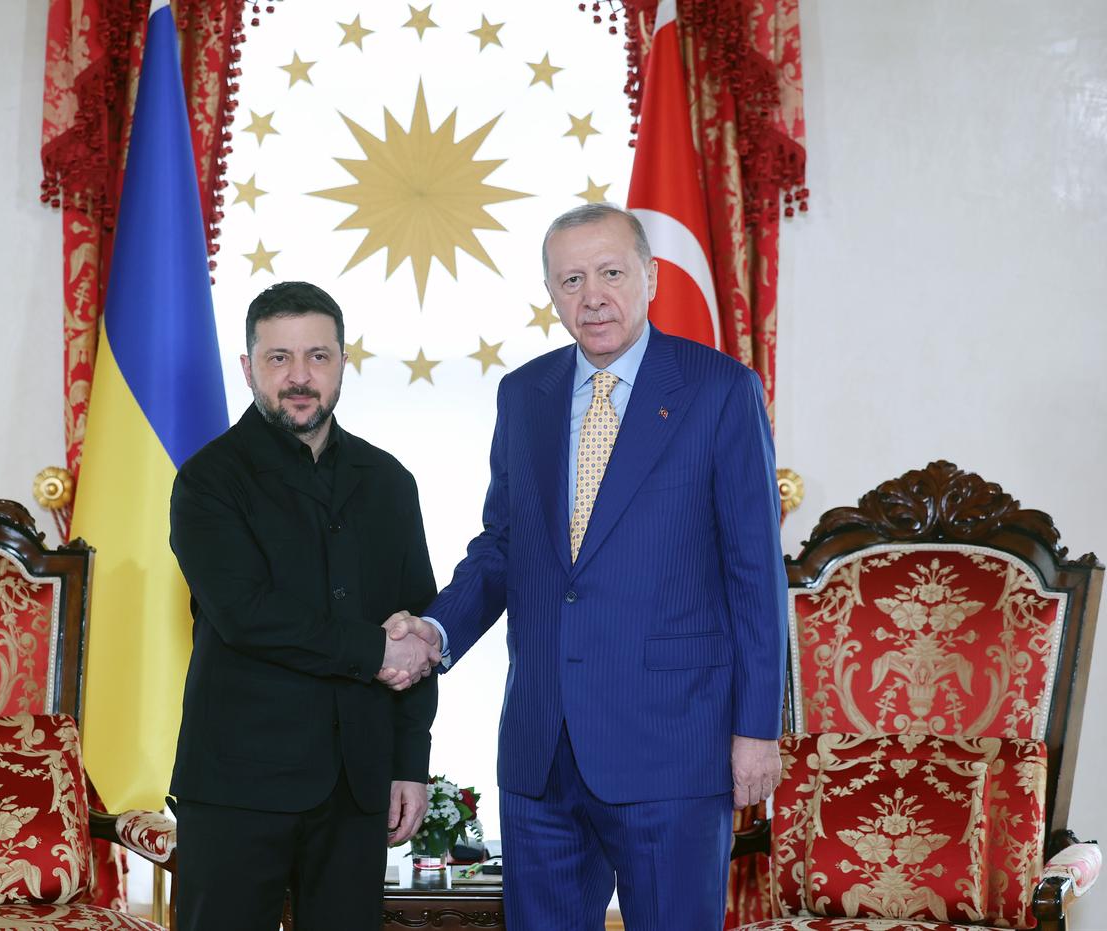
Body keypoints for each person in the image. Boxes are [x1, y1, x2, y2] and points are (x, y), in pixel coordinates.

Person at [394, 204, 787, 929]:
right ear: (550, 292)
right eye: (571, 280)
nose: (593, 296)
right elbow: (503, 546)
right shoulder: (524, 395)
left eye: (610, 273)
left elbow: (756, 576)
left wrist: (757, 729)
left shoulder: (719, 389)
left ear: (650, 277)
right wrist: (435, 631)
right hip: (542, 748)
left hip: (672, 746)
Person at [168, 280, 441, 930]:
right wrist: (376, 650)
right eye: (279, 357)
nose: (299, 376)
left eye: (318, 356)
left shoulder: (389, 481)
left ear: (343, 362)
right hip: (238, 786)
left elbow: (418, 627)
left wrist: (410, 763)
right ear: (248, 368)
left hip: (357, 787)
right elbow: (247, 613)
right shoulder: (207, 480)